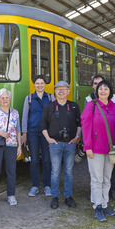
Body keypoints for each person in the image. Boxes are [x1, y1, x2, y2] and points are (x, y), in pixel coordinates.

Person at [81, 80, 115, 222]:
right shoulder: (92, 105)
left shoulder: (114, 107)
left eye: (106, 89)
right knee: (97, 179)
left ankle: (104, 204)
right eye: (100, 89)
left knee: (107, 179)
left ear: (110, 91)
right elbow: (85, 127)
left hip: (110, 149)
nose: (103, 91)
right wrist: (88, 147)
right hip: (95, 149)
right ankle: (97, 206)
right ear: (97, 91)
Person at [41, 81, 81, 209]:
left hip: (70, 144)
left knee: (69, 171)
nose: (61, 91)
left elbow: (79, 124)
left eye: (64, 89)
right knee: (55, 171)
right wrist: (48, 139)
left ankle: (68, 196)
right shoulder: (49, 106)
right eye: (58, 89)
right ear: (55, 91)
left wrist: (77, 137)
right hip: (55, 143)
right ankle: (55, 197)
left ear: (68, 91)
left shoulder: (74, 106)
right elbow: (43, 126)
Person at [21, 75, 55, 197]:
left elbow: (54, 116)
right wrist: (24, 134)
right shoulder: (29, 98)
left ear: (45, 84)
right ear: (34, 85)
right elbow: (25, 116)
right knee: (34, 160)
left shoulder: (50, 97)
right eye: (37, 83)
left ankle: (47, 186)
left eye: (41, 83)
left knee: (47, 160)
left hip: (47, 133)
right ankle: (34, 186)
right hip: (33, 133)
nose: (39, 85)